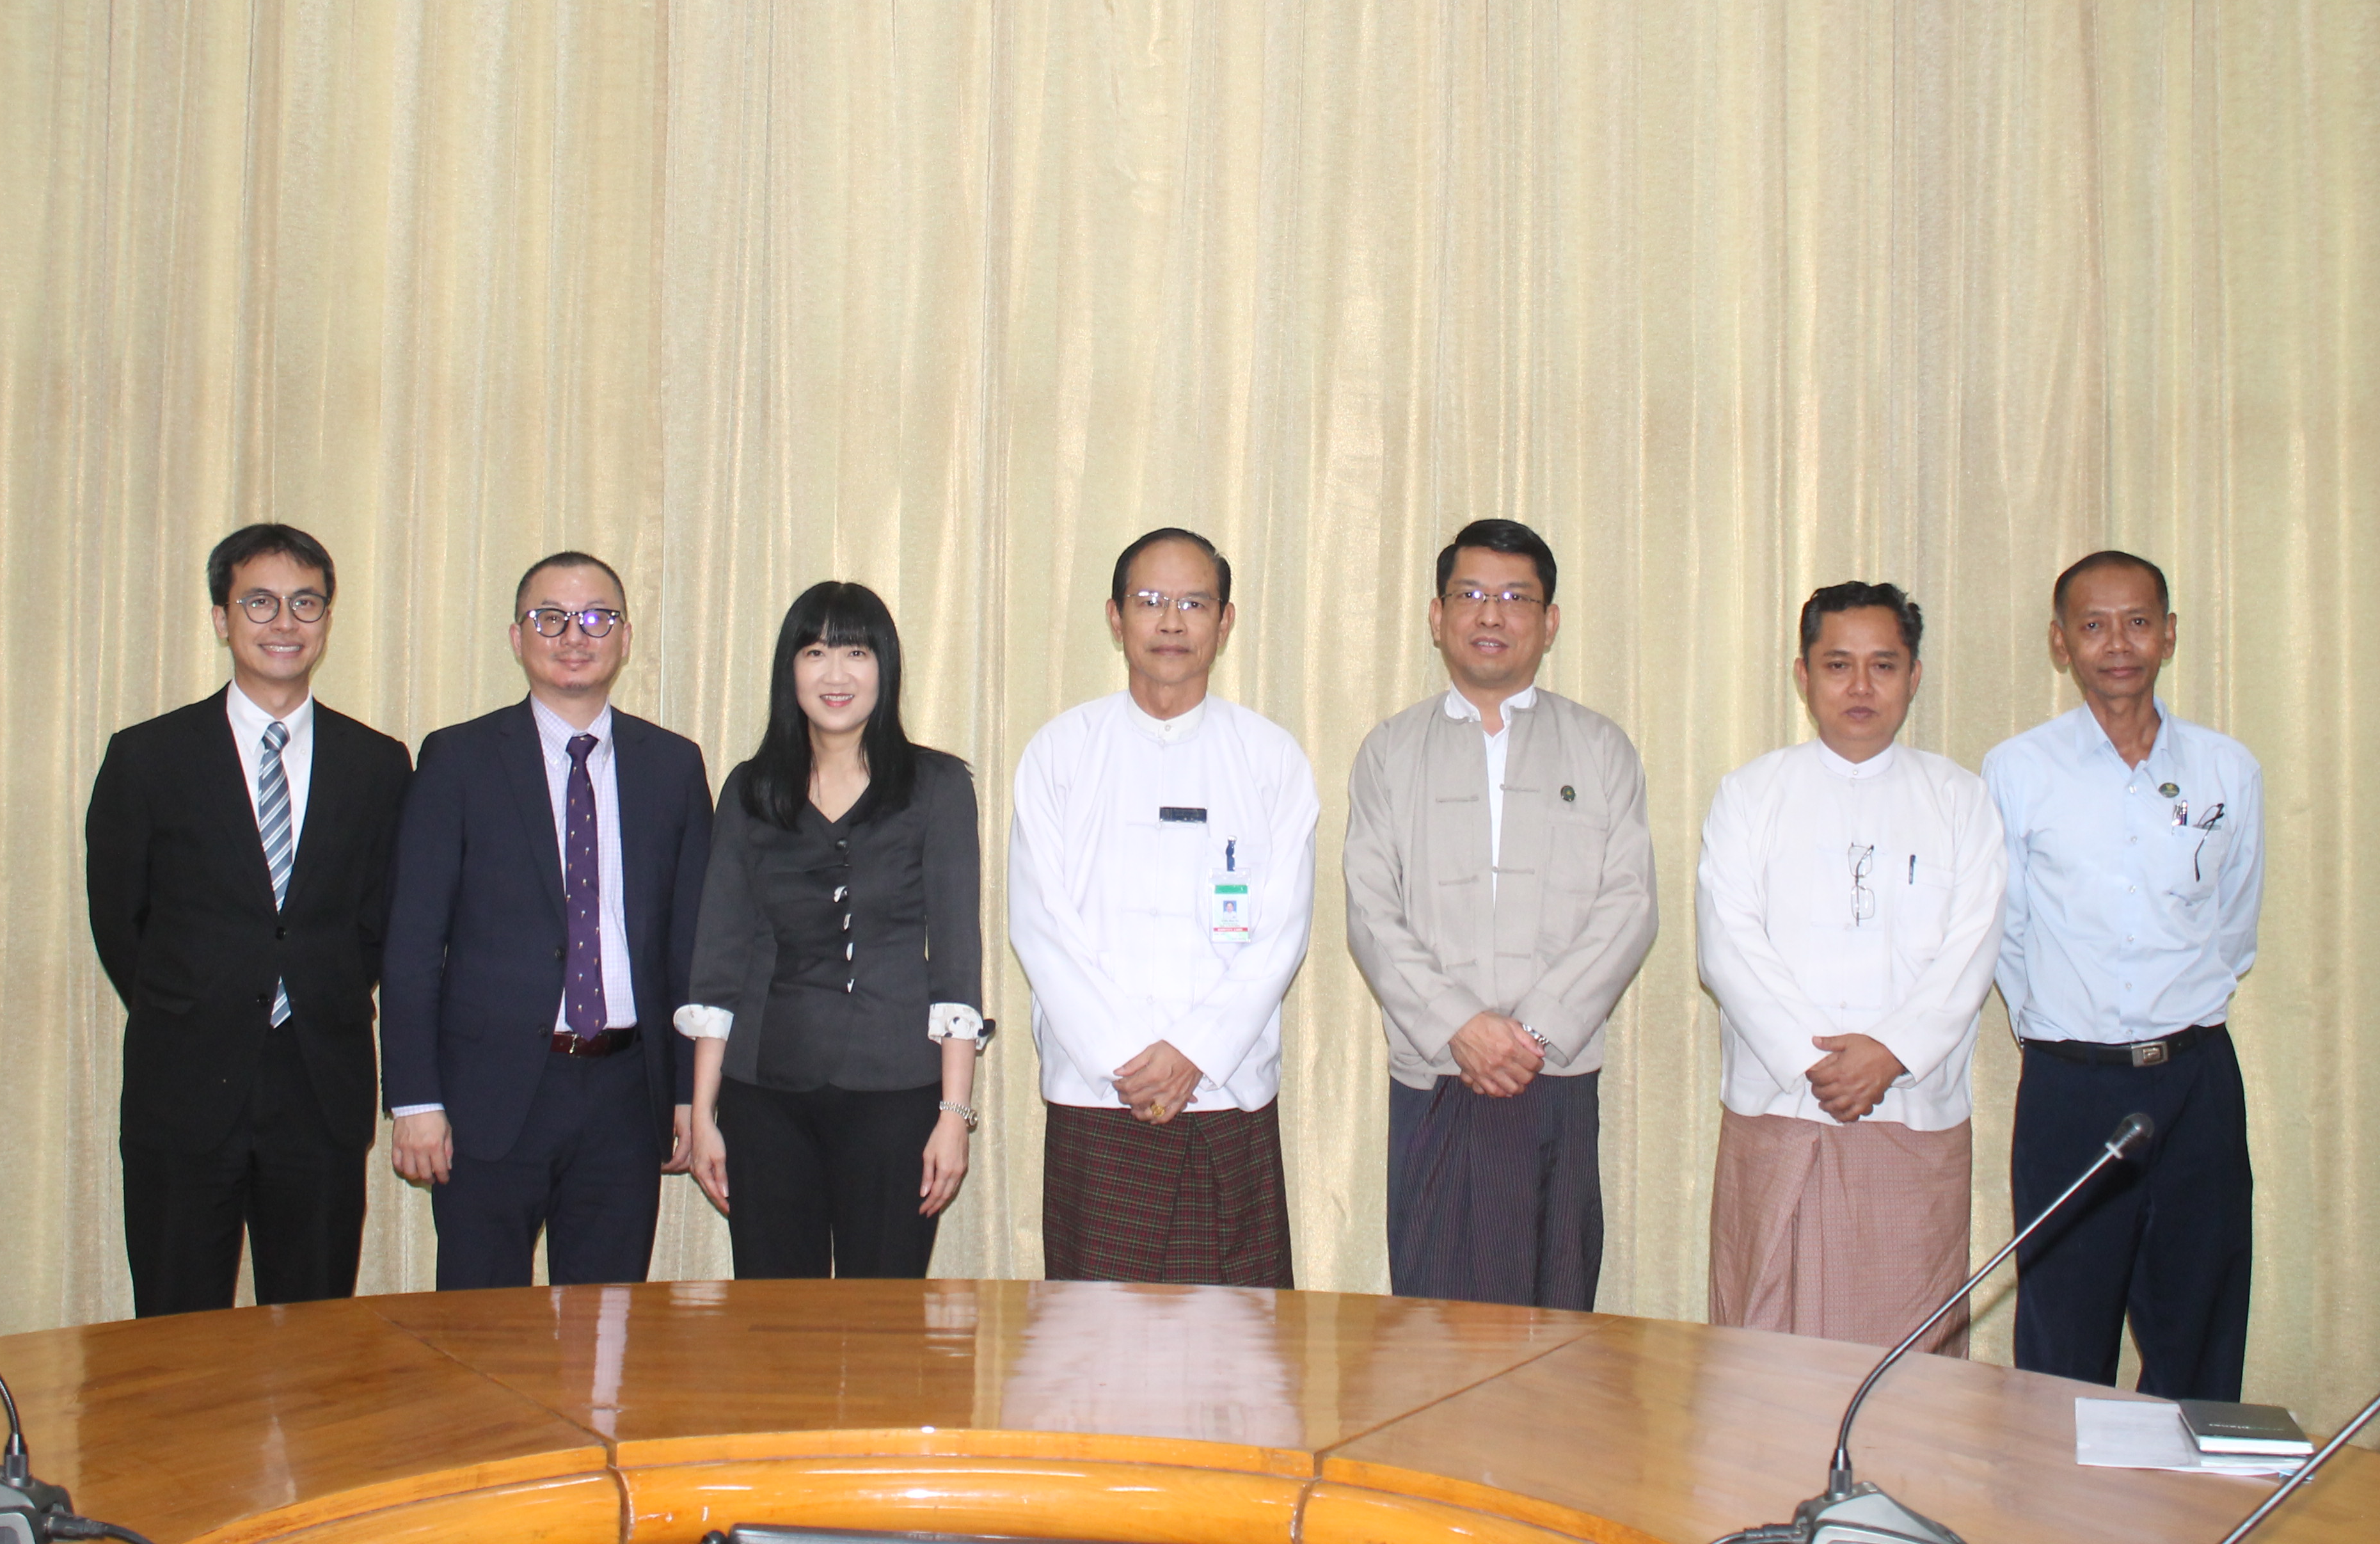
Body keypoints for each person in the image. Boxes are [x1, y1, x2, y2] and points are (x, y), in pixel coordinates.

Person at [84, 523, 411, 1316]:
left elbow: (382, 917)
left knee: (315, 1325)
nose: (284, 622)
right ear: (220, 618)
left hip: (319, 1083)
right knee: (177, 1329)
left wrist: (316, 988)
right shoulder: (148, 757)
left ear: (326, 619)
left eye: (306, 603)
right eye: (259, 602)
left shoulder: (377, 763)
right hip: (184, 1082)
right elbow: (119, 917)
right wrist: (198, 999)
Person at [1342, 518, 1656, 1309]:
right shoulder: (1391, 750)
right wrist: (1461, 1026)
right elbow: (1370, 908)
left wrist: (1532, 1034)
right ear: (1437, 615)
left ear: (1550, 622)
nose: (1491, 614)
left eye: (1516, 597)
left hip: (1553, 1076)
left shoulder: (1601, 748)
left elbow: (1629, 905)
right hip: (1437, 1077)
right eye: (1471, 595)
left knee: (1554, 1321)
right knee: (1435, 1324)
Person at [379, 551, 714, 1289]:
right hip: (489, 1094)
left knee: (606, 1326)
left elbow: (691, 947)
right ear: (516, 636)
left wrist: (691, 1093)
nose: (574, 636)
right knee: (479, 1328)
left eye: (596, 617)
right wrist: (415, 1098)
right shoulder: (458, 759)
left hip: (627, 1094)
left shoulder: (673, 766)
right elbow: (411, 943)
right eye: (551, 618)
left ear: (625, 637)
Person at [1695, 582, 2006, 1354]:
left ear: (1915, 676)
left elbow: (1973, 946)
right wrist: (1817, 1060)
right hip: (1780, 1103)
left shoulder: (1961, 799)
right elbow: (1728, 943)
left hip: (1910, 1109)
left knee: (1907, 1358)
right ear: (1803, 676)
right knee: (1763, 1345)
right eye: (1838, 665)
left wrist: (1889, 1053)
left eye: (1883, 665)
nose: (1861, 686)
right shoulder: (1751, 793)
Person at [1008, 527, 1320, 1287]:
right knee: (1093, 1342)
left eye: (1194, 603)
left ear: (1226, 620)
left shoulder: (1271, 758)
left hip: (1226, 1095)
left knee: (1238, 1344)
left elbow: (1281, 930)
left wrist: (1194, 1053)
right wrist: (1129, 1056)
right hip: (1099, 1096)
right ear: (1115, 617)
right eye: (1150, 601)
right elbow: (1041, 925)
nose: (1172, 622)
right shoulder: (1061, 752)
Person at [1985, 551, 2263, 1398]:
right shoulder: (2019, 770)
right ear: (2061, 643)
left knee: (2200, 1327)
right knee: (2063, 1337)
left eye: (2138, 623)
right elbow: (2007, 930)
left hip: (2196, 1082)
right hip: (2071, 1087)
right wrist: (2064, 1032)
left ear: (2169, 635)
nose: (2118, 645)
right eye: (2094, 625)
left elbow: (2234, 924)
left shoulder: (2227, 769)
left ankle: (2187, 1488)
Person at [677, 581, 985, 1277]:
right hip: (765, 1094)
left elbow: (956, 960)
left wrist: (954, 1113)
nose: (836, 673)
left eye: (856, 652)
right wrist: (703, 1112)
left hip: (897, 1093)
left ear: (885, 666)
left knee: (885, 1313)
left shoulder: (937, 786)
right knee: (776, 1316)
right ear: (790, 670)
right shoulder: (750, 790)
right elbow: (720, 958)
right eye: (815, 652)